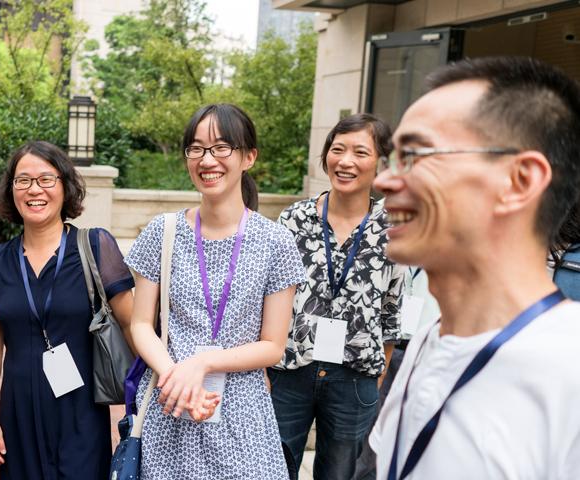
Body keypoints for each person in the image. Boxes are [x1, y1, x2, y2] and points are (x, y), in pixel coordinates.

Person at [369, 56, 580, 478]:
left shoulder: (568, 371)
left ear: (519, 180)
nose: (383, 181)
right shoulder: (428, 343)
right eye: (391, 159)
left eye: (414, 155)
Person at [124, 103, 305, 478]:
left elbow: (273, 345)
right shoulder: (163, 231)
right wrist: (175, 374)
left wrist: (203, 363)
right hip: (170, 404)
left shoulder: (275, 241)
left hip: (242, 413)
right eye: (197, 148)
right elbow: (140, 324)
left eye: (221, 147)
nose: (208, 160)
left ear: (248, 156)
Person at [0, 140, 135, 479]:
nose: (35, 190)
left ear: (65, 186)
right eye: (23, 180)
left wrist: (149, 393)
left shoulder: (94, 246)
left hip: (80, 412)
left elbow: (132, 324)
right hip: (17, 415)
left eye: (46, 179)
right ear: (11, 189)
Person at [269, 113, 405, 480]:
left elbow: (393, 311)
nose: (345, 161)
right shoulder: (294, 219)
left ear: (381, 162)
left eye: (360, 152)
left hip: (355, 377)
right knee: (273, 469)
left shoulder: (394, 226)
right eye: (337, 149)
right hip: (288, 370)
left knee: (340, 474)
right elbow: (267, 296)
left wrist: (376, 374)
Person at [351, 266, 440, 480]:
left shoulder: (438, 257)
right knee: (373, 414)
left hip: (423, 347)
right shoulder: (396, 253)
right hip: (387, 346)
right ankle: (362, 473)